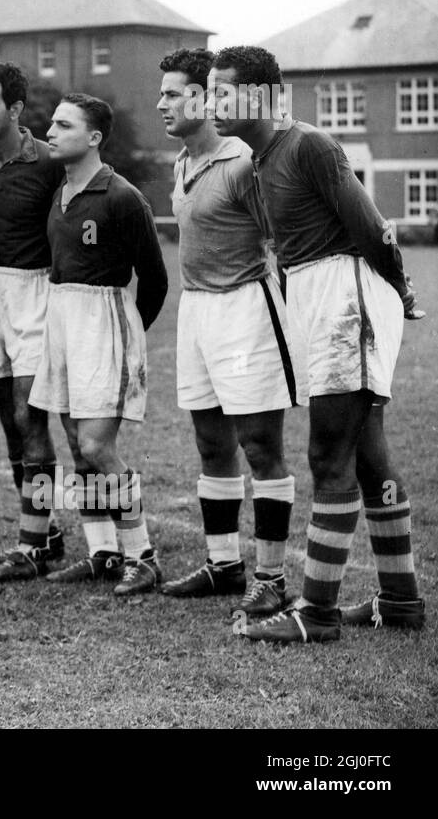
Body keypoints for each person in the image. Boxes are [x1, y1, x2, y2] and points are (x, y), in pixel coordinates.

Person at [208, 46, 425, 643]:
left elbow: (372, 225)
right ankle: (402, 601)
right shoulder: (260, 161)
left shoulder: (308, 144)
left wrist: (401, 289)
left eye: (222, 91)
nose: (212, 103)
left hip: (346, 296)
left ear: (260, 95)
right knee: (368, 456)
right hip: (317, 298)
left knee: (328, 457)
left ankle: (317, 612)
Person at [155, 48, 306, 615]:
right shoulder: (182, 162)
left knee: (260, 447)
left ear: (203, 96)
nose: (162, 103)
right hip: (195, 312)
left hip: (247, 310)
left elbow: (286, 240)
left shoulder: (245, 161)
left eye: (174, 93)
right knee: (210, 444)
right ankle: (223, 565)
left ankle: (269, 578)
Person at [30, 94, 169, 596]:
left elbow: (153, 281)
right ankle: (103, 552)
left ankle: (143, 555)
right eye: (51, 123)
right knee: (75, 446)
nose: (50, 130)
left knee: (96, 446)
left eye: (63, 125)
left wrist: (125, 341)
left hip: (104, 321)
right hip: (62, 316)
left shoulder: (122, 196)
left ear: (93, 138)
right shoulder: (60, 190)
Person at [0, 63, 66, 581]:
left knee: (32, 419)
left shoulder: (49, 162)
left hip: (35, 291)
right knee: (10, 423)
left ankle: (30, 545)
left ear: (17, 110)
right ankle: (44, 528)